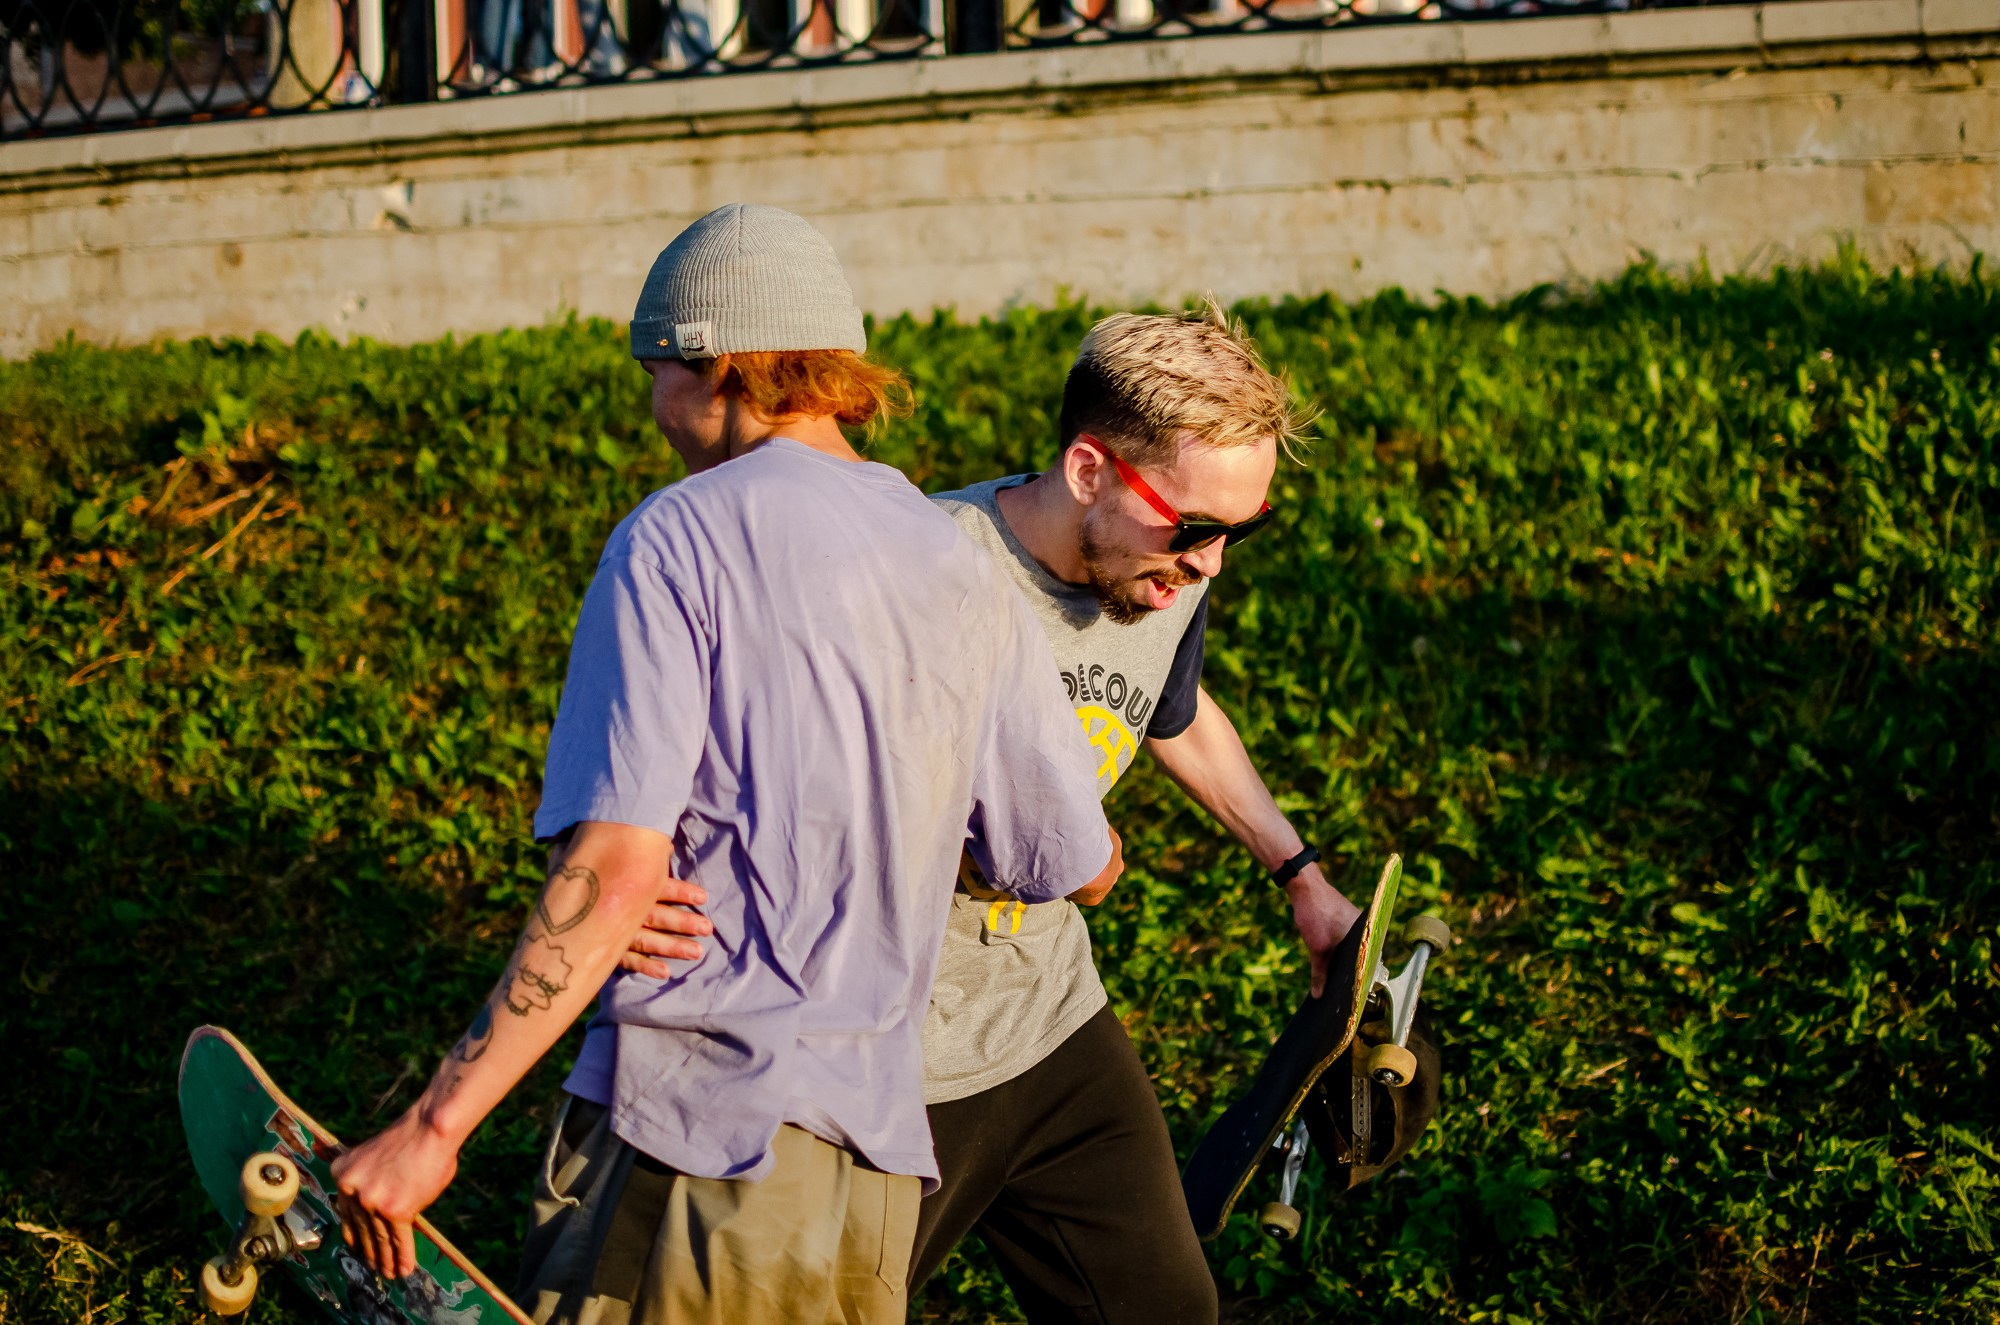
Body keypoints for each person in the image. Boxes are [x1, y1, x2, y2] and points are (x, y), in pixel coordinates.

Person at [329, 202, 1122, 1325]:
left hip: (700, 1138)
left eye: (655, 367)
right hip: (875, 1179)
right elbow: (1073, 861)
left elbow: (613, 867)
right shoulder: (958, 564)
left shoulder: (677, 537)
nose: (654, 403)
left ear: (720, 364)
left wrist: (431, 1127)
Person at [624, 300, 1363, 1322]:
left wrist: (1299, 876)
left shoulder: (1163, 571)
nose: (1211, 564)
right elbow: (743, 746)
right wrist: (639, 871)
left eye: (1243, 528)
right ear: (1089, 470)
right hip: (887, 1067)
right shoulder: (920, 568)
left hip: (1053, 1029)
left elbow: (1174, 712)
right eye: (1195, 530)